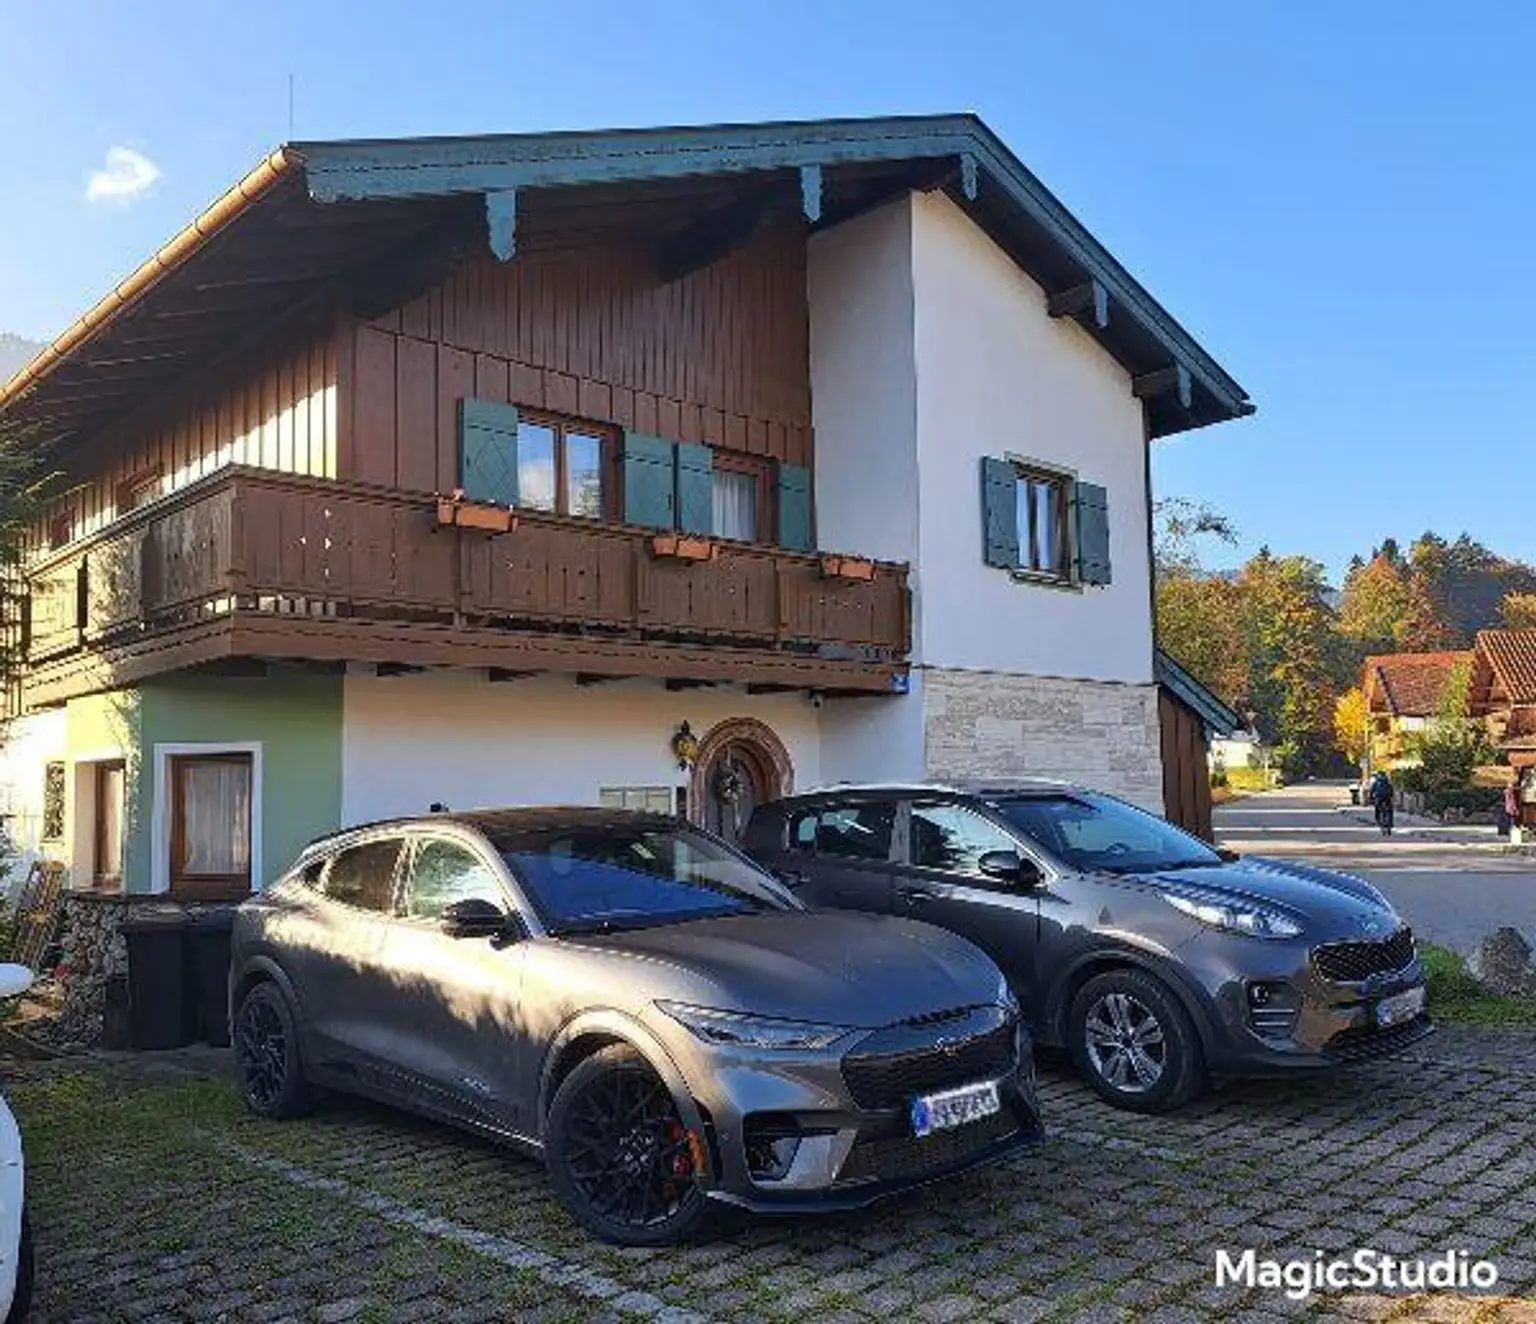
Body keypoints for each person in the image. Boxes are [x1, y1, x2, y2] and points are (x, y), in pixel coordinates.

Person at [1368, 770, 1395, 835]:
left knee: (1377, 809)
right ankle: (1390, 823)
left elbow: (1372, 791)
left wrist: (1371, 798)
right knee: (1390, 810)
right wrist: (1391, 796)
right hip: (1387, 798)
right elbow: (1391, 790)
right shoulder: (1387, 781)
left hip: (1379, 798)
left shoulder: (1376, 782)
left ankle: (1378, 820)